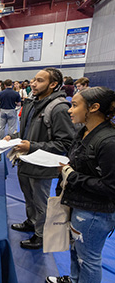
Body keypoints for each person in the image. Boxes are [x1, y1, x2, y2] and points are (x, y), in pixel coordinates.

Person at [46, 87, 115, 283]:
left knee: (89, 259)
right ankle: (75, 279)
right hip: (79, 203)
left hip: (95, 212)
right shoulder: (85, 131)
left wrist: (71, 175)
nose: (70, 110)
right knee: (77, 250)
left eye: (75, 105)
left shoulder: (109, 141)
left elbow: (111, 187)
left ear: (93, 108)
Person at [5, 67, 75, 249]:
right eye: (33, 80)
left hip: (42, 165)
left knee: (39, 201)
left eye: (40, 81)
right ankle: (31, 222)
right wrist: (12, 138)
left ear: (53, 84)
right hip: (25, 161)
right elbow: (27, 132)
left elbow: (65, 144)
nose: (33, 84)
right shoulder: (32, 103)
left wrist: (32, 146)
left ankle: (41, 235)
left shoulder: (59, 108)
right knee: (28, 197)